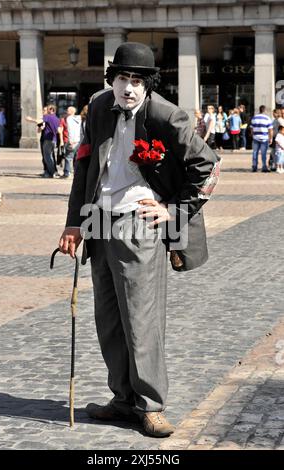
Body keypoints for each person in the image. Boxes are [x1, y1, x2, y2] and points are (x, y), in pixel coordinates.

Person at [58, 42, 220, 438]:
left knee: (141, 320)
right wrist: (74, 223)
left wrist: (174, 211)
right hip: (99, 221)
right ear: (111, 79)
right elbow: (83, 168)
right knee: (109, 319)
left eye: (136, 81)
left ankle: (151, 405)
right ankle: (122, 399)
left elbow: (208, 166)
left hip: (139, 224)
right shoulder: (97, 107)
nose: (128, 88)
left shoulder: (168, 115)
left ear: (147, 84)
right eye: (122, 79)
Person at [250, 105, 273, 172]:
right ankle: (264, 167)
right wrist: (270, 138)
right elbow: (270, 130)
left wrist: (253, 135)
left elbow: (251, 128)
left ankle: (254, 166)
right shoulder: (267, 118)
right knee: (263, 153)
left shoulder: (254, 118)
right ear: (264, 110)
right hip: (264, 138)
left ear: (259, 110)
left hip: (255, 138)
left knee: (255, 153)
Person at [41, 104, 62, 178]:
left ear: (51, 110)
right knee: (50, 156)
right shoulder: (57, 118)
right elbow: (59, 130)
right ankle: (52, 172)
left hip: (48, 139)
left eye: (47, 109)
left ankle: (52, 172)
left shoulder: (47, 116)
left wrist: (31, 119)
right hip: (54, 140)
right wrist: (61, 141)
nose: (45, 111)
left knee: (47, 157)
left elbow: (40, 123)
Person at [62, 106, 81, 178]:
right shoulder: (79, 118)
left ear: (72, 111)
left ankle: (67, 173)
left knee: (68, 157)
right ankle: (76, 173)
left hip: (72, 140)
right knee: (76, 158)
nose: (67, 111)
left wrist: (70, 141)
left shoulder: (69, 119)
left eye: (68, 110)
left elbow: (70, 130)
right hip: (79, 141)